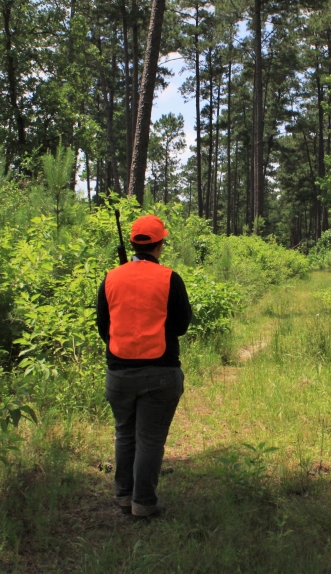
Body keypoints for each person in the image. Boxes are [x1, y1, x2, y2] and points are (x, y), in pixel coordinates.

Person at [96, 214, 192, 518]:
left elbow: (103, 326)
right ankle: (144, 502)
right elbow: (181, 325)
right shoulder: (169, 278)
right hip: (160, 373)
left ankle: (124, 496)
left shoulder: (111, 277)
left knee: (125, 435)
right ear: (160, 244)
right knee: (149, 439)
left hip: (119, 373)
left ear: (133, 243)